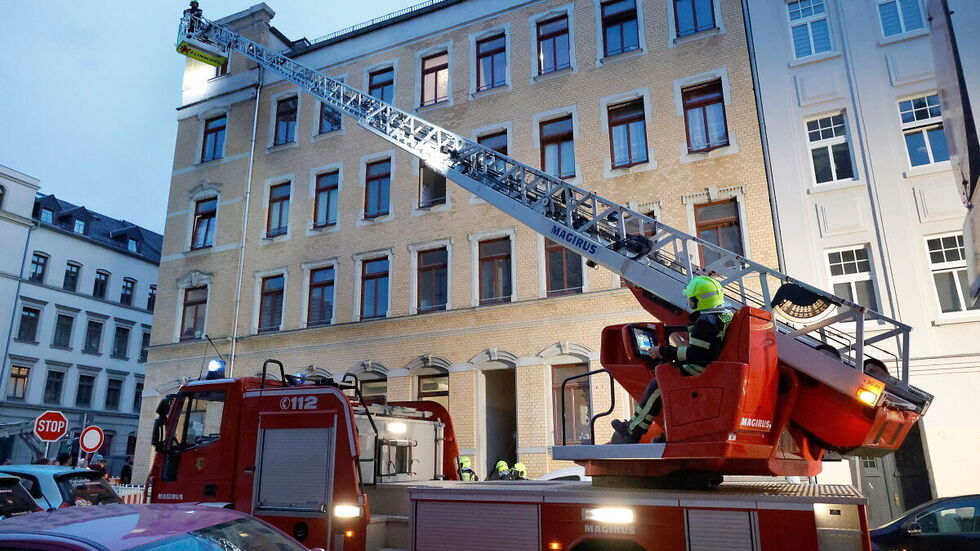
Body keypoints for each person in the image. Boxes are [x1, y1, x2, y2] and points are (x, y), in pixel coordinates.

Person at [611, 276, 735, 444]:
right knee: (667, 372)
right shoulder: (725, 316)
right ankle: (674, 431)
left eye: (691, 299)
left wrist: (663, 351)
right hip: (715, 369)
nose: (689, 302)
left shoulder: (706, 321)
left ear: (697, 300)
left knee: (659, 383)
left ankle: (633, 430)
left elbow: (697, 354)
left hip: (702, 369)